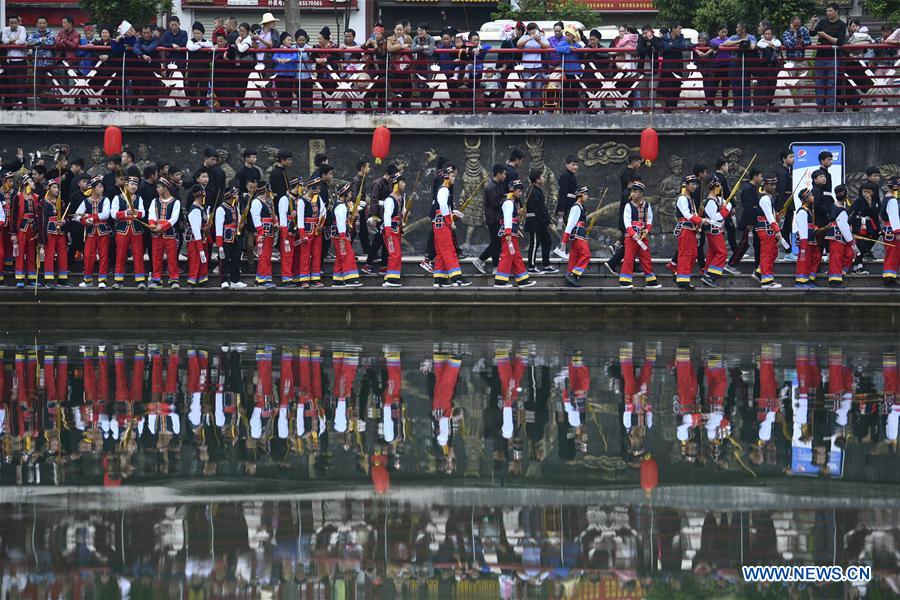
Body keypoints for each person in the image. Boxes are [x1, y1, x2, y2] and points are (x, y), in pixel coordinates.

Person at [432, 166, 470, 288]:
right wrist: (450, 221)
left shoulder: (444, 189)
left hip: (439, 223)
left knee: (441, 252)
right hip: (442, 223)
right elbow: (443, 207)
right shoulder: (444, 190)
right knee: (449, 250)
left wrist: (453, 214)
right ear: (447, 177)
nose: (454, 178)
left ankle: (440, 278)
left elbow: (445, 207)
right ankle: (456, 278)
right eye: (453, 176)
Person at [618, 181, 660, 289]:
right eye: (632, 191)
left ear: (641, 193)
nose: (632, 194)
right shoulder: (628, 205)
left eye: (635, 191)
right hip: (631, 237)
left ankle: (651, 281)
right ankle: (625, 281)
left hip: (642, 236)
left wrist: (647, 230)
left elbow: (649, 219)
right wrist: (633, 234)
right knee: (629, 257)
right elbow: (626, 222)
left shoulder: (647, 205)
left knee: (646, 256)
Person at [494, 179, 535, 288]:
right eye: (519, 191)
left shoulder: (511, 202)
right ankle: (500, 281)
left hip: (512, 232)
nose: (520, 193)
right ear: (514, 190)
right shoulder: (508, 202)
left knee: (515, 256)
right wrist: (508, 234)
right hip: (509, 233)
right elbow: (507, 219)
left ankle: (522, 279)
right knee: (507, 255)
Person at [110, 175, 147, 288]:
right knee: (120, 254)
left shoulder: (139, 198)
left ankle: (140, 280)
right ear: (126, 185)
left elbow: (143, 213)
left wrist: (135, 213)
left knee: (138, 254)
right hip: (122, 230)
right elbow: (113, 214)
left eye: (136, 185)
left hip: (136, 230)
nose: (134, 187)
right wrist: (126, 213)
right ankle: (118, 280)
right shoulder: (118, 198)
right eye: (132, 184)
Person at [76, 176, 111, 288]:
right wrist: (85, 221)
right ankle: (88, 280)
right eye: (100, 187)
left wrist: (90, 216)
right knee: (88, 256)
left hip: (102, 231)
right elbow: (77, 215)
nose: (102, 189)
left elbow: (106, 214)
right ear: (94, 188)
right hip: (90, 231)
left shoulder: (105, 200)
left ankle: (102, 280)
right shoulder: (85, 201)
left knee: (103, 255)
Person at [810, 4, 846, 110]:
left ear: (836, 11)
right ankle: (819, 105)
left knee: (831, 83)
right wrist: (812, 23)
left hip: (833, 57)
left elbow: (839, 41)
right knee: (819, 83)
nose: (828, 13)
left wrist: (825, 35)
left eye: (830, 11)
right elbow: (812, 33)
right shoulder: (822, 22)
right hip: (820, 56)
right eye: (827, 11)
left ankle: (830, 106)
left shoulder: (841, 25)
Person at [727, 168, 762, 274]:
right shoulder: (748, 189)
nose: (761, 179)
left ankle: (758, 269)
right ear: (755, 176)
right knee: (744, 244)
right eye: (760, 176)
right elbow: (748, 208)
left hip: (754, 222)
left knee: (757, 245)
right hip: (750, 223)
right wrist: (751, 223)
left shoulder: (752, 188)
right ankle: (731, 264)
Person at [148, 178, 182, 288]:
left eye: (159, 187)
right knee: (156, 256)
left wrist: (162, 227)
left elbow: (174, 218)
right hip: (156, 233)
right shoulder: (155, 201)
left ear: (165, 188)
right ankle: (157, 278)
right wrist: (152, 224)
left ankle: (174, 279)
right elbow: (152, 214)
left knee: (172, 257)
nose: (157, 189)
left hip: (169, 233)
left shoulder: (176, 202)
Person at [473, 164, 506, 275]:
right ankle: (492, 265)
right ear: (498, 174)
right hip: (494, 218)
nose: (505, 176)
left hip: (497, 218)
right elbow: (496, 204)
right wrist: (507, 199)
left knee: (496, 242)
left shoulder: (498, 185)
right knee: (496, 243)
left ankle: (482, 261)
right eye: (504, 174)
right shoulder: (491, 187)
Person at [756, 176, 787, 288]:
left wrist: (777, 217)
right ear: (765, 185)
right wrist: (777, 229)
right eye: (771, 185)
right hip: (766, 230)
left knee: (773, 252)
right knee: (767, 254)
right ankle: (767, 281)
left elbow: (771, 215)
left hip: (769, 229)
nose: (774, 187)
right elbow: (769, 217)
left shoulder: (768, 198)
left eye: (774, 184)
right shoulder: (764, 199)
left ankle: (759, 272)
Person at [673, 175, 704, 290]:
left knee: (693, 254)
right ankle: (683, 281)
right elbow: (686, 214)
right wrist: (699, 220)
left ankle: (679, 275)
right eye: (692, 184)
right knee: (685, 254)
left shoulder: (690, 198)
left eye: (696, 184)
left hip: (691, 229)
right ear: (686, 185)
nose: (695, 186)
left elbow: (693, 214)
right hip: (685, 229)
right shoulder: (682, 198)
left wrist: (700, 221)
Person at [825, 184, 858, 287]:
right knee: (836, 257)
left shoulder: (832, 206)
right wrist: (850, 241)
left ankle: (839, 272)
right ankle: (834, 280)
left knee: (848, 254)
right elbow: (843, 227)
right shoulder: (841, 210)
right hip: (838, 236)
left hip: (836, 236)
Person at [701, 177, 731, 287]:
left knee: (712, 253)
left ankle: (707, 273)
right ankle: (710, 276)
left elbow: (729, 204)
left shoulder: (718, 199)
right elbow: (715, 218)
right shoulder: (710, 202)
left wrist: (726, 208)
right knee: (722, 253)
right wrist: (725, 210)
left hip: (718, 230)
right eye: (718, 186)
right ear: (714, 187)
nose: (720, 188)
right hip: (713, 231)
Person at [38, 180, 68, 288]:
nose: (56, 190)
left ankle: (63, 279)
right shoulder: (42, 203)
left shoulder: (62, 202)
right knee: (49, 255)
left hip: (61, 232)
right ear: (48, 189)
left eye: (57, 188)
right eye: (54, 187)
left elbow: (67, 217)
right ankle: (49, 280)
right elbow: (41, 222)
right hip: (49, 232)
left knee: (63, 255)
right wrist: (41, 239)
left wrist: (64, 221)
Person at [331, 182, 362, 286]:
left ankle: (338, 279)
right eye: (350, 192)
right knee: (347, 255)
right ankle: (350, 279)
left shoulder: (340, 205)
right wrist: (343, 237)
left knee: (340, 256)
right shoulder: (341, 207)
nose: (351, 194)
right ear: (345, 194)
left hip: (338, 235)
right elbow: (340, 223)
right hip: (341, 235)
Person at [721, 22, 757, 112]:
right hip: (734, 63)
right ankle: (736, 108)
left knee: (745, 86)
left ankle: (746, 109)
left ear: (743, 29)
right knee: (735, 86)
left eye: (738, 28)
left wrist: (744, 44)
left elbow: (752, 46)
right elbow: (725, 43)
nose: (736, 29)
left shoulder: (751, 37)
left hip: (745, 63)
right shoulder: (734, 37)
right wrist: (739, 42)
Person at [214, 186, 244, 289]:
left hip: (235, 237)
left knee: (236, 259)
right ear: (231, 196)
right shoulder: (221, 209)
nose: (238, 196)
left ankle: (235, 280)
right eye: (236, 194)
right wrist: (219, 244)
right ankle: (224, 280)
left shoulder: (235, 207)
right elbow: (218, 228)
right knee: (224, 259)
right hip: (225, 239)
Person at [298, 176, 326, 288]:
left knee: (317, 254)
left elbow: (323, 212)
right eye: (317, 189)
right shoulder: (302, 201)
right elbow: (300, 219)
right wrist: (302, 234)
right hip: (306, 230)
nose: (318, 191)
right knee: (305, 255)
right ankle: (304, 279)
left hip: (317, 230)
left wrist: (320, 225)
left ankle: (315, 278)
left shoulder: (317, 198)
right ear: (311, 189)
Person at [525, 169, 555, 273]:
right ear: (537, 180)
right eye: (542, 177)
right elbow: (538, 210)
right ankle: (531, 266)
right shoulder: (533, 192)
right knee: (534, 244)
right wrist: (547, 222)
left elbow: (542, 208)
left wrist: (547, 220)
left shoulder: (538, 190)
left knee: (547, 242)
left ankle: (546, 265)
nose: (543, 179)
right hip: (535, 223)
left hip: (541, 223)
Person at [14, 174, 40, 288]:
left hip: (32, 228)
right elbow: (14, 216)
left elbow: (38, 215)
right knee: (20, 253)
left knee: (31, 253)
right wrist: (13, 233)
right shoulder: (17, 197)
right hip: (21, 228)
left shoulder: (36, 197)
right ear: (25, 184)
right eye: (31, 181)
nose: (33, 183)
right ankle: (19, 278)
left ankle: (31, 278)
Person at [561, 186, 590, 287]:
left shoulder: (581, 207)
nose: (587, 196)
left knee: (574, 257)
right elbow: (570, 224)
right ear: (579, 195)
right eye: (585, 194)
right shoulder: (576, 207)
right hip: (577, 235)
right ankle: (574, 275)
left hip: (580, 234)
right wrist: (564, 240)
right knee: (586, 254)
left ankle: (570, 277)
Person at [250, 182, 277, 288]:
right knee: (264, 256)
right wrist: (260, 232)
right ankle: (263, 279)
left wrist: (275, 223)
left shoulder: (268, 202)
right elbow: (256, 218)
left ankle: (263, 277)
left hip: (269, 232)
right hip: (263, 233)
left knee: (267, 256)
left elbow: (272, 215)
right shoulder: (256, 202)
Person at [660, 24, 692, 111]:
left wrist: (672, 44)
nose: (680, 31)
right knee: (668, 88)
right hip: (667, 67)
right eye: (679, 29)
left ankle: (674, 107)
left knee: (677, 87)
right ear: (673, 29)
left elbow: (683, 45)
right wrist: (675, 45)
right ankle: (668, 108)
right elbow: (666, 48)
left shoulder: (681, 36)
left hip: (678, 66)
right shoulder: (664, 37)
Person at [849, 182, 879, 274]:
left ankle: (856, 266)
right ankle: (858, 266)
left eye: (868, 192)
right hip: (859, 225)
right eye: (864, 191)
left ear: (873, 193)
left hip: (869, 225)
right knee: (860, 245)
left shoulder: (874, 202)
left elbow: (875, 214)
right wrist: (850, 224)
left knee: (864, 245)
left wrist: (870, 202)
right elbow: (852, 213)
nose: (866, 193)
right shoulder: (858, 201)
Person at [277, 177, 302, 286]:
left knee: (297, 255)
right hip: (288, 231)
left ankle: (296, 277)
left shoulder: (299, 199)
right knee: (287, 255)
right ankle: (286, 278)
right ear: (297, 186)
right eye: (301, 185)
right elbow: (282, 218)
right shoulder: (285, 199)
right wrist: (284, 235)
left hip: (297, 232)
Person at [793, 188, 820, 288]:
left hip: (810, 239)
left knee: (815, 257)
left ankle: (809, 279)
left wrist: (815, 228)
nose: (813, 197)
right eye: (811, 195)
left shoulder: (808, 210)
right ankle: (801, 281)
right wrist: (803, 245)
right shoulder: (802, 211)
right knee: (804, 259)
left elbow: (808, 225)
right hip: (805, 241)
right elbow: (802, 228)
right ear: (806, 198)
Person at [382, 173, 405, 287]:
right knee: (394, 253)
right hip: (390, 230)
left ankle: (390, 276)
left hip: (397, 229)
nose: (404, 184)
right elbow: (387, 216)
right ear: (396, 184)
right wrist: (388, 233)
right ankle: (391, 279)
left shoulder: (401, 198)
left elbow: (402, 214)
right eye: (402, 182)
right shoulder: (390, 199)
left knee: (396, 253)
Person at [185, 184, 209, 287]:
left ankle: (202, 279)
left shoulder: (201, 208)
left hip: (202, 239)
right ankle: (192, 280)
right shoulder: (195, 210)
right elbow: (196, 230)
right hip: (195, 241)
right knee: (195, 260)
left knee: (203, 261)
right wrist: (200, 248)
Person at [554, 155, 579, 252]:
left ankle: (568, 250)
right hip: (567, 206)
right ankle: (564, 249)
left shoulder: (571, 175)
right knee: (568, 229)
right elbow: (563, 193)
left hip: (571, 204)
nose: (575, 167)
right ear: (566, 165)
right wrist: (561, 210)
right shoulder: (566, 176)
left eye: (577, 165)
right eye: (573, 164)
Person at [774, 150, 795, 258]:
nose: (793, 159)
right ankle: (787, 252)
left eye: (793, 157)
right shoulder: (781, 172)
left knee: (788, 227)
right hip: (784, 204)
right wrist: (781, 208)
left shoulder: (788, 171)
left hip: (789, 201)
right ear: (784, 159)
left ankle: (788, 250)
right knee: (785, 228)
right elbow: (781, 191)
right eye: (790, 157)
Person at [880, 177, 899, 287]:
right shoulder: (892, 200)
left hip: (888, 229)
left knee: (891, 254)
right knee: (892, 255)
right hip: (892, 230)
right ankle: (889, 279)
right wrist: (897, 232)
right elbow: (894, 217)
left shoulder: (886, 198)